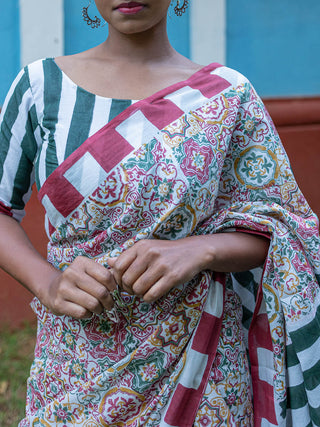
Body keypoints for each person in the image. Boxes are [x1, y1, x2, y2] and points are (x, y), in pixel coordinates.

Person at [0, 0, 319, 425]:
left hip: (201, 363)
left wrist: (200, 250)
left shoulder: (227, 96)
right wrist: (49, 284)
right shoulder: (41, 87)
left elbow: (286, 227)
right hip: (74, 364)